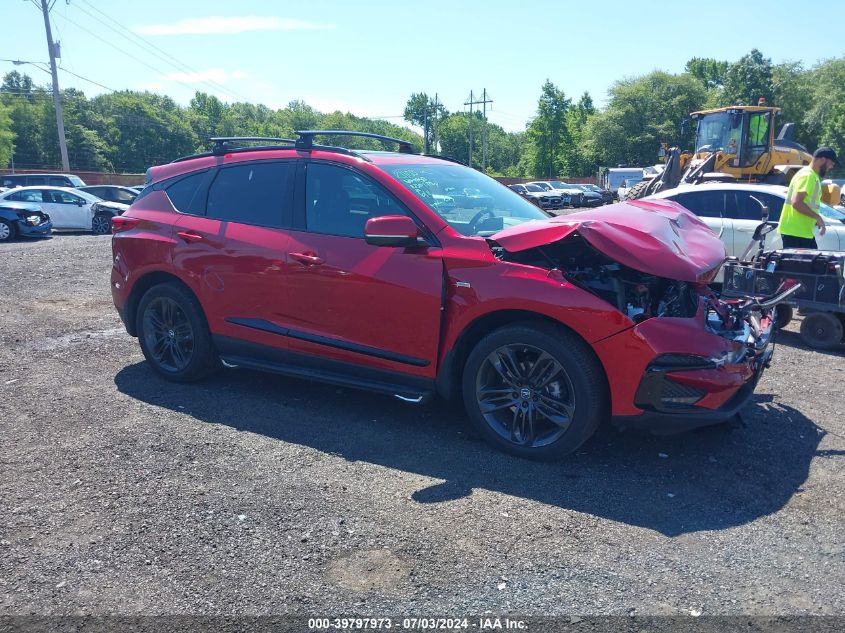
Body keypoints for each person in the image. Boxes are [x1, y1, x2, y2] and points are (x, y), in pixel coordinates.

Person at [777, 147, 839, 249]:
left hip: (801, 233)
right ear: (823, 159)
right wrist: (818, 218)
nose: (831, 167)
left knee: (814, 263)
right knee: (807, 264)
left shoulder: (811, 175)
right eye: (831, 163)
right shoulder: (808, 176)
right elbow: (797, 203)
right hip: (796, 233)